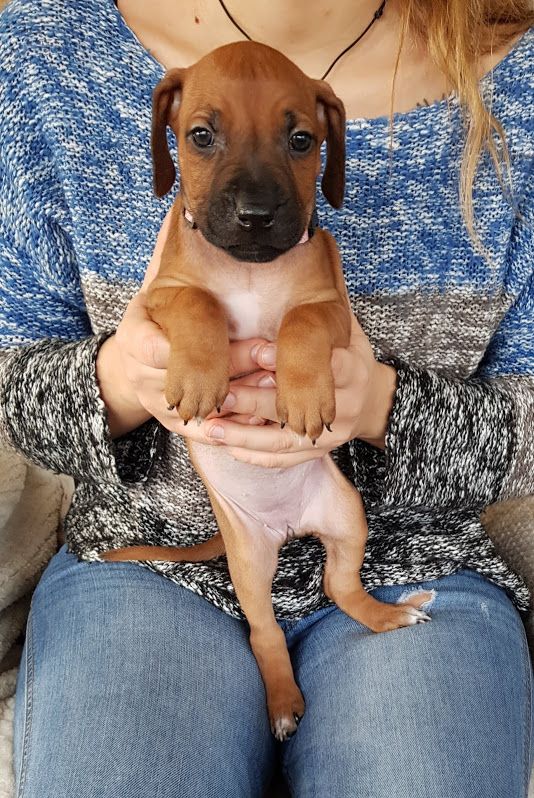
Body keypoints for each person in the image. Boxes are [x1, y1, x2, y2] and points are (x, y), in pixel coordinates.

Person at [0, 0, 532, 795]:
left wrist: (382, 408)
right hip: (149, 564)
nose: (253, 201)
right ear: (167, 133)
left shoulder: (517, 78)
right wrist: (119, 381)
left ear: (328, 143)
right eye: (202, 139)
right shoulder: (45, 51)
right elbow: (11, 388)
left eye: (300, 143)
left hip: (414, 558)